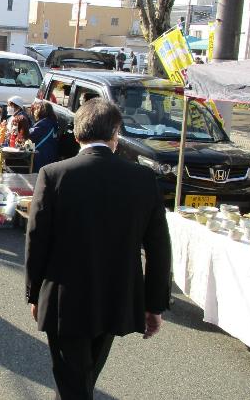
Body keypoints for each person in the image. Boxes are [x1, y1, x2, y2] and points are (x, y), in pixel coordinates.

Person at [25, 99, 172, 400]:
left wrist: (34, 292)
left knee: (74, 382)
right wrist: (154, 305)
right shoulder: (142, 179)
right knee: (81, 379)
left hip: (65, 297)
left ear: (77, 135)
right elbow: (158, 248)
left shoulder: (54, 174)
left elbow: (37, 238)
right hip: (116, 296)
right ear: (115, 134)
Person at [28, 100, 59, 172]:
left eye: (36, 109)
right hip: (51, 154)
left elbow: (30, 137)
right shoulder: (53, 122)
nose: (34, 112)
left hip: (41, 155)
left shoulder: (43, 124)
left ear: (40, 111)